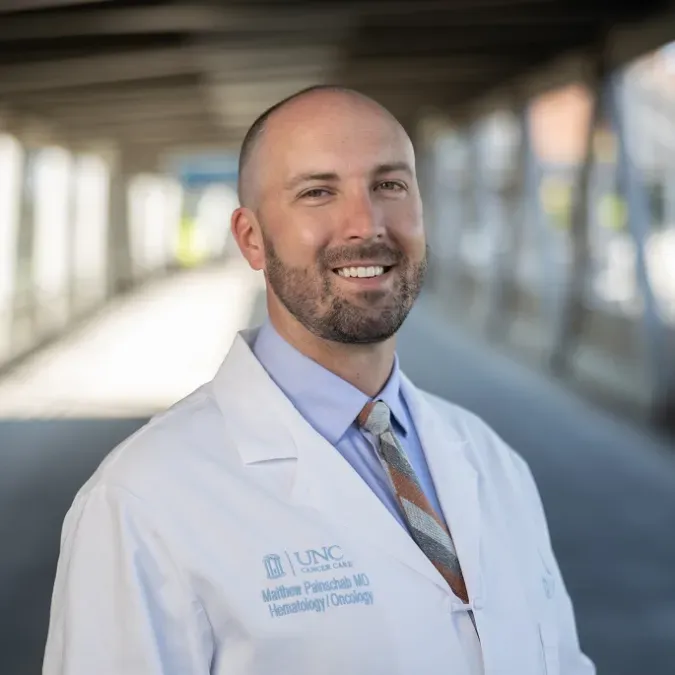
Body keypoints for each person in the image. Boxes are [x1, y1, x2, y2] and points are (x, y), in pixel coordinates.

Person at [43, 86, 595, 675]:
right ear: (251, 238)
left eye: (390, 185)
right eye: (317, 192)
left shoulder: (492, 461)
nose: (365, 223)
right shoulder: (140, 502)